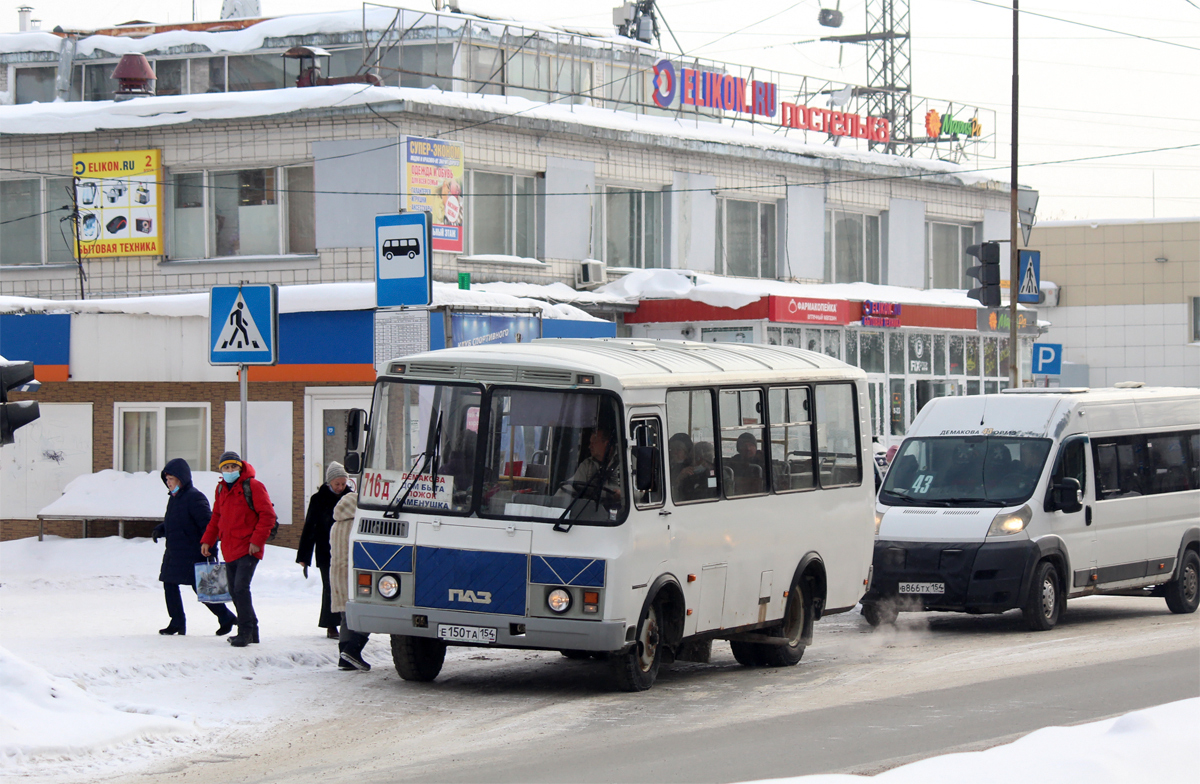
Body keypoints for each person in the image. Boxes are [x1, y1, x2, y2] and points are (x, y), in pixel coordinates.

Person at [200, 450, 277, 648]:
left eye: (233, 466)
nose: (230, 470)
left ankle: (245, 632)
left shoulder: (253, 486)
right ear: (221, 470)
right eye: (226, 467)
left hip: (249, 548)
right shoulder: (220, 490)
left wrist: (256, 541)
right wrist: (207, 541)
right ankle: (253, 630)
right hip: (230, 547)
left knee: (241, 588)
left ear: (240, 467)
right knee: (235, 591)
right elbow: (216, 517)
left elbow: (267, 515)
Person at [153, 458, 237, 636]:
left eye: (172, 479)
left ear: (182, 479)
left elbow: (208, 525)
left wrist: (211, 551)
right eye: (167, 480)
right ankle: (177, 622)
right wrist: (161, 529)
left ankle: (226, 617)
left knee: (202, 588)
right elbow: (175, 521)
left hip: (192, 553)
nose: (168, 483)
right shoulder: (174, 498)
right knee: (169, 584)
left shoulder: (194, 497)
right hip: (175, 552)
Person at [297, 462, 352, 639]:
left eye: (343, 483)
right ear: (329, 482)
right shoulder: (318, 499)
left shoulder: (351, 498)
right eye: (337, 484)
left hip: (347, 551)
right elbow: (310, 528)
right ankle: (330, 624)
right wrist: (304, 556)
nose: (340, 487)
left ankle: (348, 623)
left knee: (347, 588)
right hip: (325, 551)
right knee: (330, 587)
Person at [329, 492, 370, 671]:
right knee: (369, 612)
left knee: (345, 614)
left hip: (337, 573)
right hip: (353, 573)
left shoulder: (336, 525)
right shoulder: (357, 524)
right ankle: (353, 650)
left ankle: (343, 657)